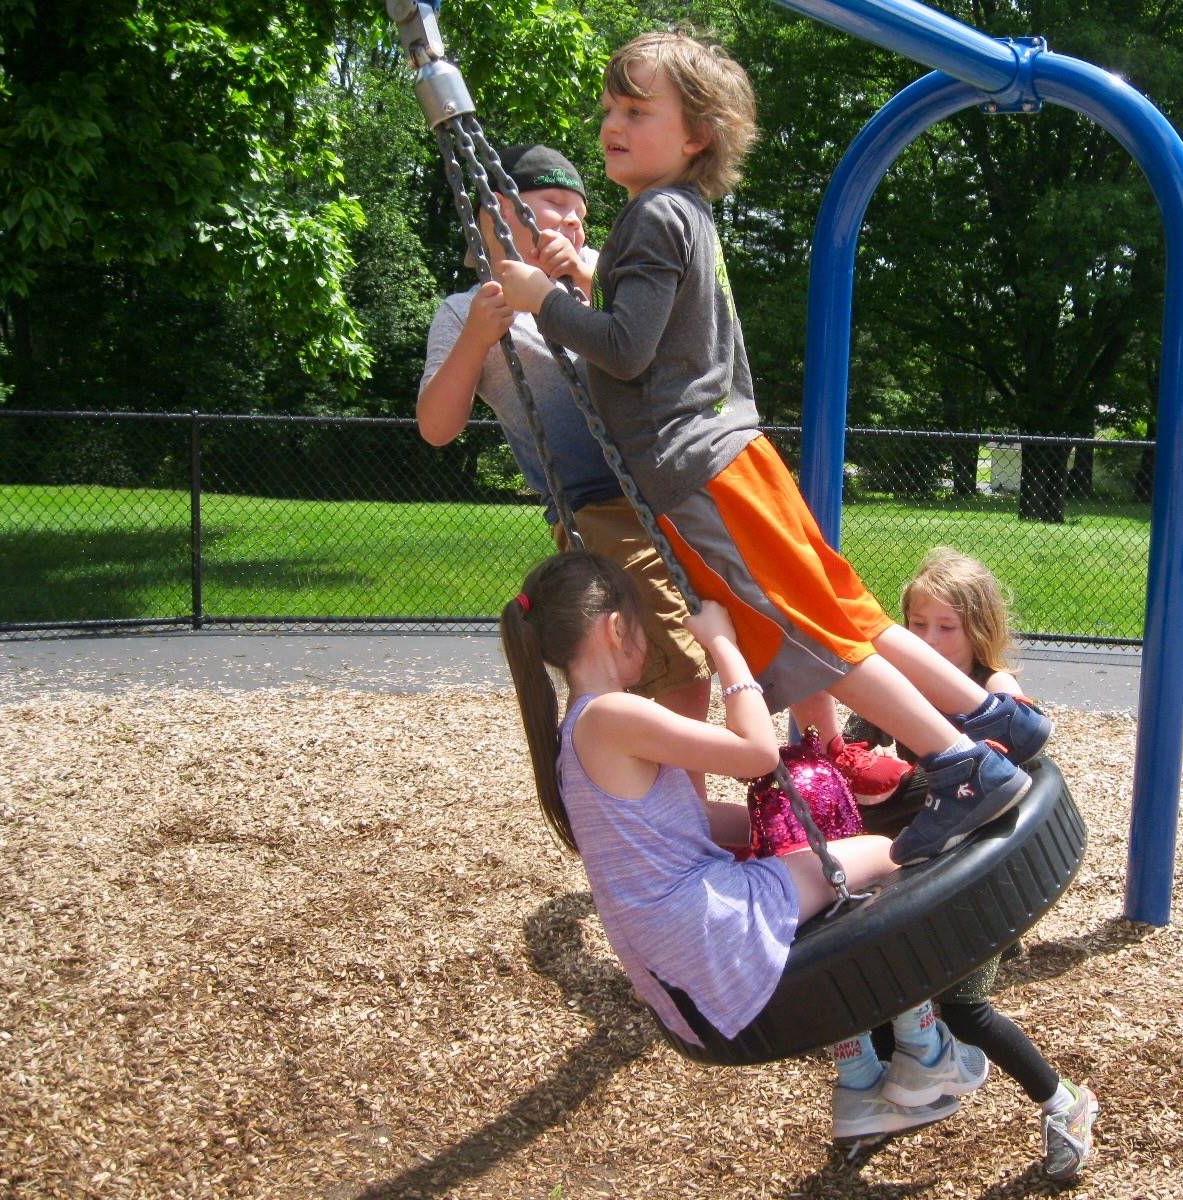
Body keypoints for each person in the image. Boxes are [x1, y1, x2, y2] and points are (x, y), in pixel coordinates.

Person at [495, 30, 1051, 867]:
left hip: (697, 470)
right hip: (738, 457)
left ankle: (959, 765)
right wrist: (581, 279)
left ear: (696, 136)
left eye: (638, 110)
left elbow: (626, 348)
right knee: (841, 612)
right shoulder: (686, 214)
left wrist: (543, 300)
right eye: (611, 107)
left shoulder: (650, 217)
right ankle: (990, 721)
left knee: (808, 639)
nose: (613, 121)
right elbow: (659, 329)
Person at [416, 140, 906, 807]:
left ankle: (822, 751)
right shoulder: (466, 310)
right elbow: (436, 427)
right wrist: (479, 336)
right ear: (498, 215)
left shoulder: (597, 277)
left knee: (768, 600)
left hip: (681, 475)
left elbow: (651, 344)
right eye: (555, 209)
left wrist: (588, 282)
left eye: (582, 216)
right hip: (598, 504)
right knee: (674, 651)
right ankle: (691, 811)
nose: (573, 227)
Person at [502, 550, 990, 1142]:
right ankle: (924, 1049)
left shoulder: (576, 732)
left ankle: (861, 1088)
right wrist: (724, 647)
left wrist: (781, 828)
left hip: (673, 947)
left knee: (838, 863)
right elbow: (757, 753)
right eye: (646, 629)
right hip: (703, 928)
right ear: (613, 628)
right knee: (886, 855)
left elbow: (689, 818)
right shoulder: (613, 714)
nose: (653, 645)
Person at [847, 547, 1101, 1183]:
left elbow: (1018, 747)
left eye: (946, 627)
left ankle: (1065, 1102)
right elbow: (854, 759)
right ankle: (886, 1104)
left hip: (974, 880)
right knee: (876, 994)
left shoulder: (991, 693)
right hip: (910, 869)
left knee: (961, 1007)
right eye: (917, 624)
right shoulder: (888, 692)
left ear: (978, 631)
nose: (929, 640)